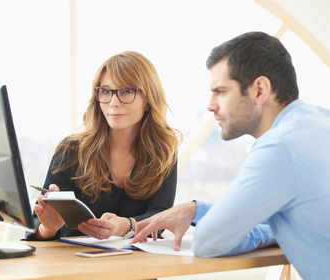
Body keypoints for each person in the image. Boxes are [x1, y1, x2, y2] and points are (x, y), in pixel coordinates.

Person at [131, 32, 330, 279]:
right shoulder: (319, 122)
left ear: (259, 90)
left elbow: (208, 241)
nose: (210, 105)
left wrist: (273, 229)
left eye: (221, 91)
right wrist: (195, 210)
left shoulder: (278, 148)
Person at [25, 51, 182, 241]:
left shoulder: (163, 152)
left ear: (148, 100)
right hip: (75, 266)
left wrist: (125, 225)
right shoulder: (71, 151)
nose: (113, 103)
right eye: (106, 91)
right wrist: (48, 228)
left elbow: (160, 218)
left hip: (136, 266)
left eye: (126, 91)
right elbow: (37, 226)